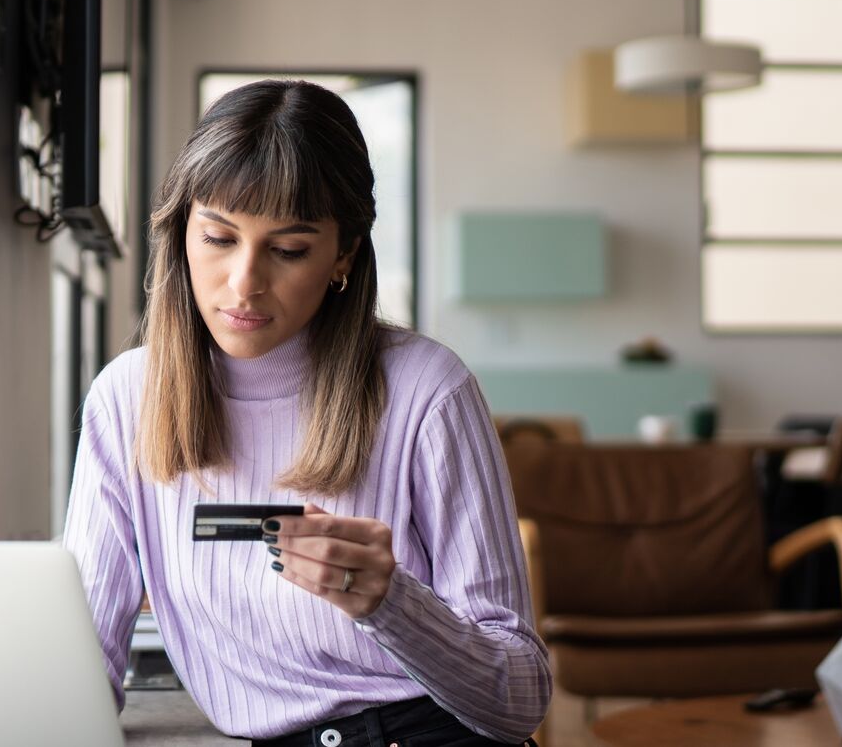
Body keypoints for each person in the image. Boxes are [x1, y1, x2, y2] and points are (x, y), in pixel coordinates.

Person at [62, 80, 548, 746]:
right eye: (217, 237)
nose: (244, 282)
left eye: (288, 249)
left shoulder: (425, 389)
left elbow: (520, 699)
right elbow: (83, 667)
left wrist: (392, 603)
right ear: (181, 234)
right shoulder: (127, 401)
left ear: (342, 253)